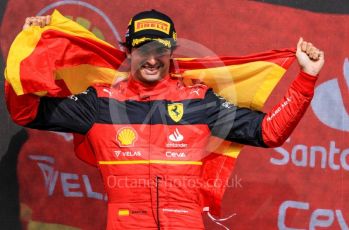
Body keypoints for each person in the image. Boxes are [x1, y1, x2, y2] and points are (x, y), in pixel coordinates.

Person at [7, 9, 324, 230]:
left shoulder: (199, 102)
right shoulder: (100, 103)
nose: (152, 58)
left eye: (161, 48)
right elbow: (25, 111)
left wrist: (305, 80)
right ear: (129, 52)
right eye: (143, 48)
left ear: (172, 53)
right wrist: (26, 51)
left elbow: (269, 133)